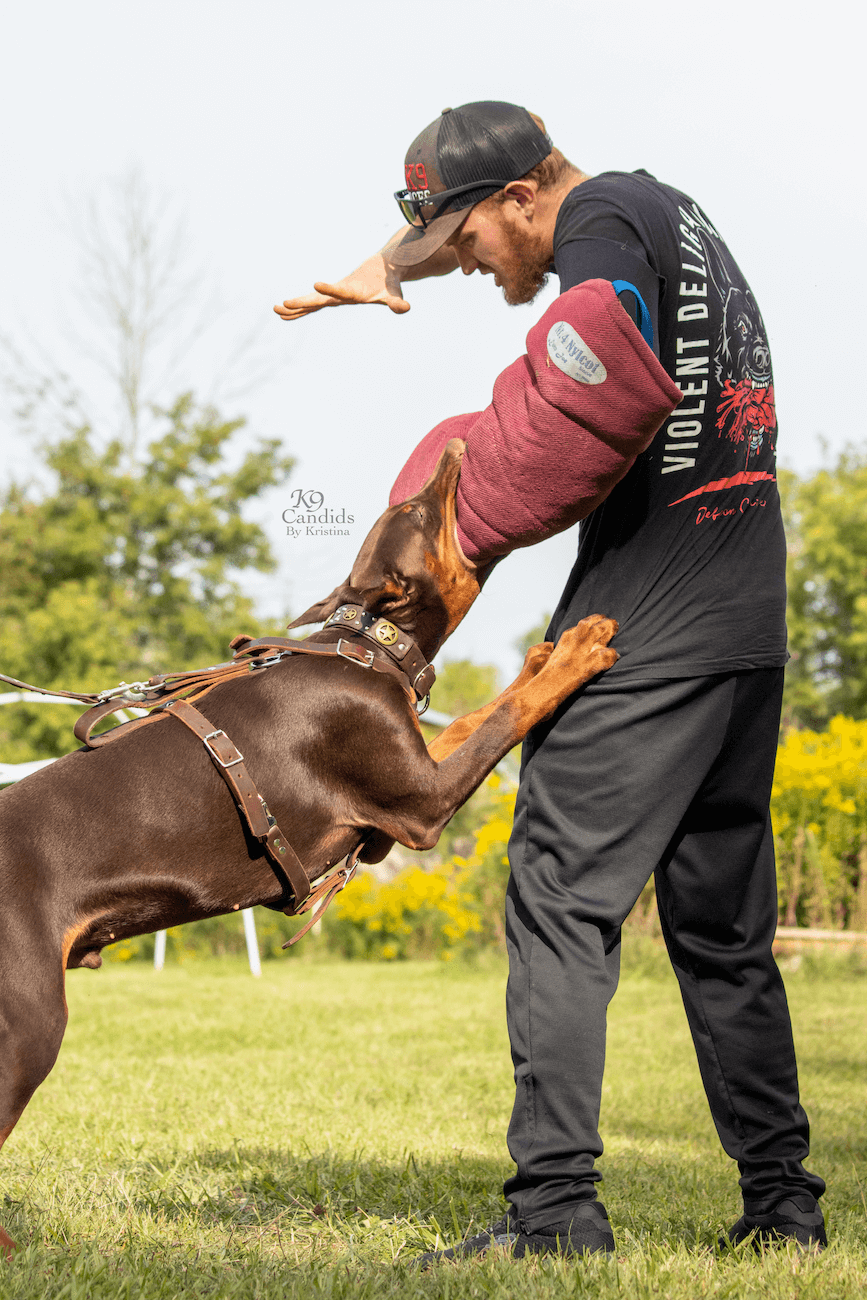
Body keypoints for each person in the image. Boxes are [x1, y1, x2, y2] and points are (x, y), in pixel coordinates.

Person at [276, 101, 826, 1258]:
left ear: (524, 196)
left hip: (647, 623)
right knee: (722, 930)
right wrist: (378, 270)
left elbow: (598, 331)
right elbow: (582, 287)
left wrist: (484, 497)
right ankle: (785, 1212)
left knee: (561, 901)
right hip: (744, 616)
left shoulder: (603, 224)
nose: (474, 270)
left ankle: (555, 1214)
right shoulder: (674, 213)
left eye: (471, 244)